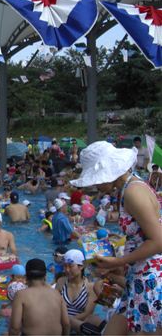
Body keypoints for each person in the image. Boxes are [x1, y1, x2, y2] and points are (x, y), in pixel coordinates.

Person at [70, 141, 162, 334]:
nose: (95, 185)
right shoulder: (130, 188)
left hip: (149, 279)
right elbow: (142, 234)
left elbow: (158, 241)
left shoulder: (133, 192)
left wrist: (118, 261)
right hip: (138, 276)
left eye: (96, 179)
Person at [9, 258, 70, 335]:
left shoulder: (21, 295)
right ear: (45, 276)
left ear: (26, 277)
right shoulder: (57, 294)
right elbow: (66, 324)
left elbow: (15, 328)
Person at [55, 249, 104, 333]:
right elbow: (54, 306)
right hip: (61, 325)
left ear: (81, 266)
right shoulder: (61, 282)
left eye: (70, 266)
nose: (67, 270)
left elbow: (87, 313)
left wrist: (67, 323)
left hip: (78, 327)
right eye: (65, 266)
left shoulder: (90, 287)